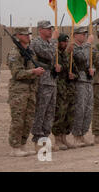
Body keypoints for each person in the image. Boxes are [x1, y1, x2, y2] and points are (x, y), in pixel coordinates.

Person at [7, 27, 45, 157]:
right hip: (19, 91)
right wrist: (33, 72)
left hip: (30, 90)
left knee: (28, 120)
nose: (28, 36)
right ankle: (14, 147)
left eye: (29, 34)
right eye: (25, 35)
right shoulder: (14, 53)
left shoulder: (29, 51)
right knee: (18, 120)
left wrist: (37, 71)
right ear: (18, 36)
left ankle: (22, 145)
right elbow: (16, 73)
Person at [30, 20, 61, 151]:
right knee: (41, 111)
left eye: (51, 29)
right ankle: (38, 140)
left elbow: (52, 58)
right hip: (42, 81)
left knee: (50, 112)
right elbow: (48, 54)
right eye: (47, 29)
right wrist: (54, 40)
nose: (50, 31)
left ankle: (45, 139)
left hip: (51, 80)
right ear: (40, 30)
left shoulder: (49, 43)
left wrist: (56, 67)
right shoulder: (37, 42)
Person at [69, 26, 95, 147]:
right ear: (75, 35)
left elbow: (89, 60)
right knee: (80, 109)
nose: (84, 36)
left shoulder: (85, 47)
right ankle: (76, 136)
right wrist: (88, 43)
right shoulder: (73, 47)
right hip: (78, 81)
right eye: (82, 34)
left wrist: (91, 69)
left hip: (87, 80)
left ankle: (82, 134)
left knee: (88, 109)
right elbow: (81, 57)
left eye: (85, 34)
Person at [51, 34, 78, 150]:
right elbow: (55, 69)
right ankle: (57, 140)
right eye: (63, 42)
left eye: (66, 42)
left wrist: (73, 75)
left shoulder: (69, 55)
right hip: (59, 88)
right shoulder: (55, 55)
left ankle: (64, 138)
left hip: (69, 89)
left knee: (69, 114)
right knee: (59, 114)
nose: (65, 44)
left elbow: (75, 71)